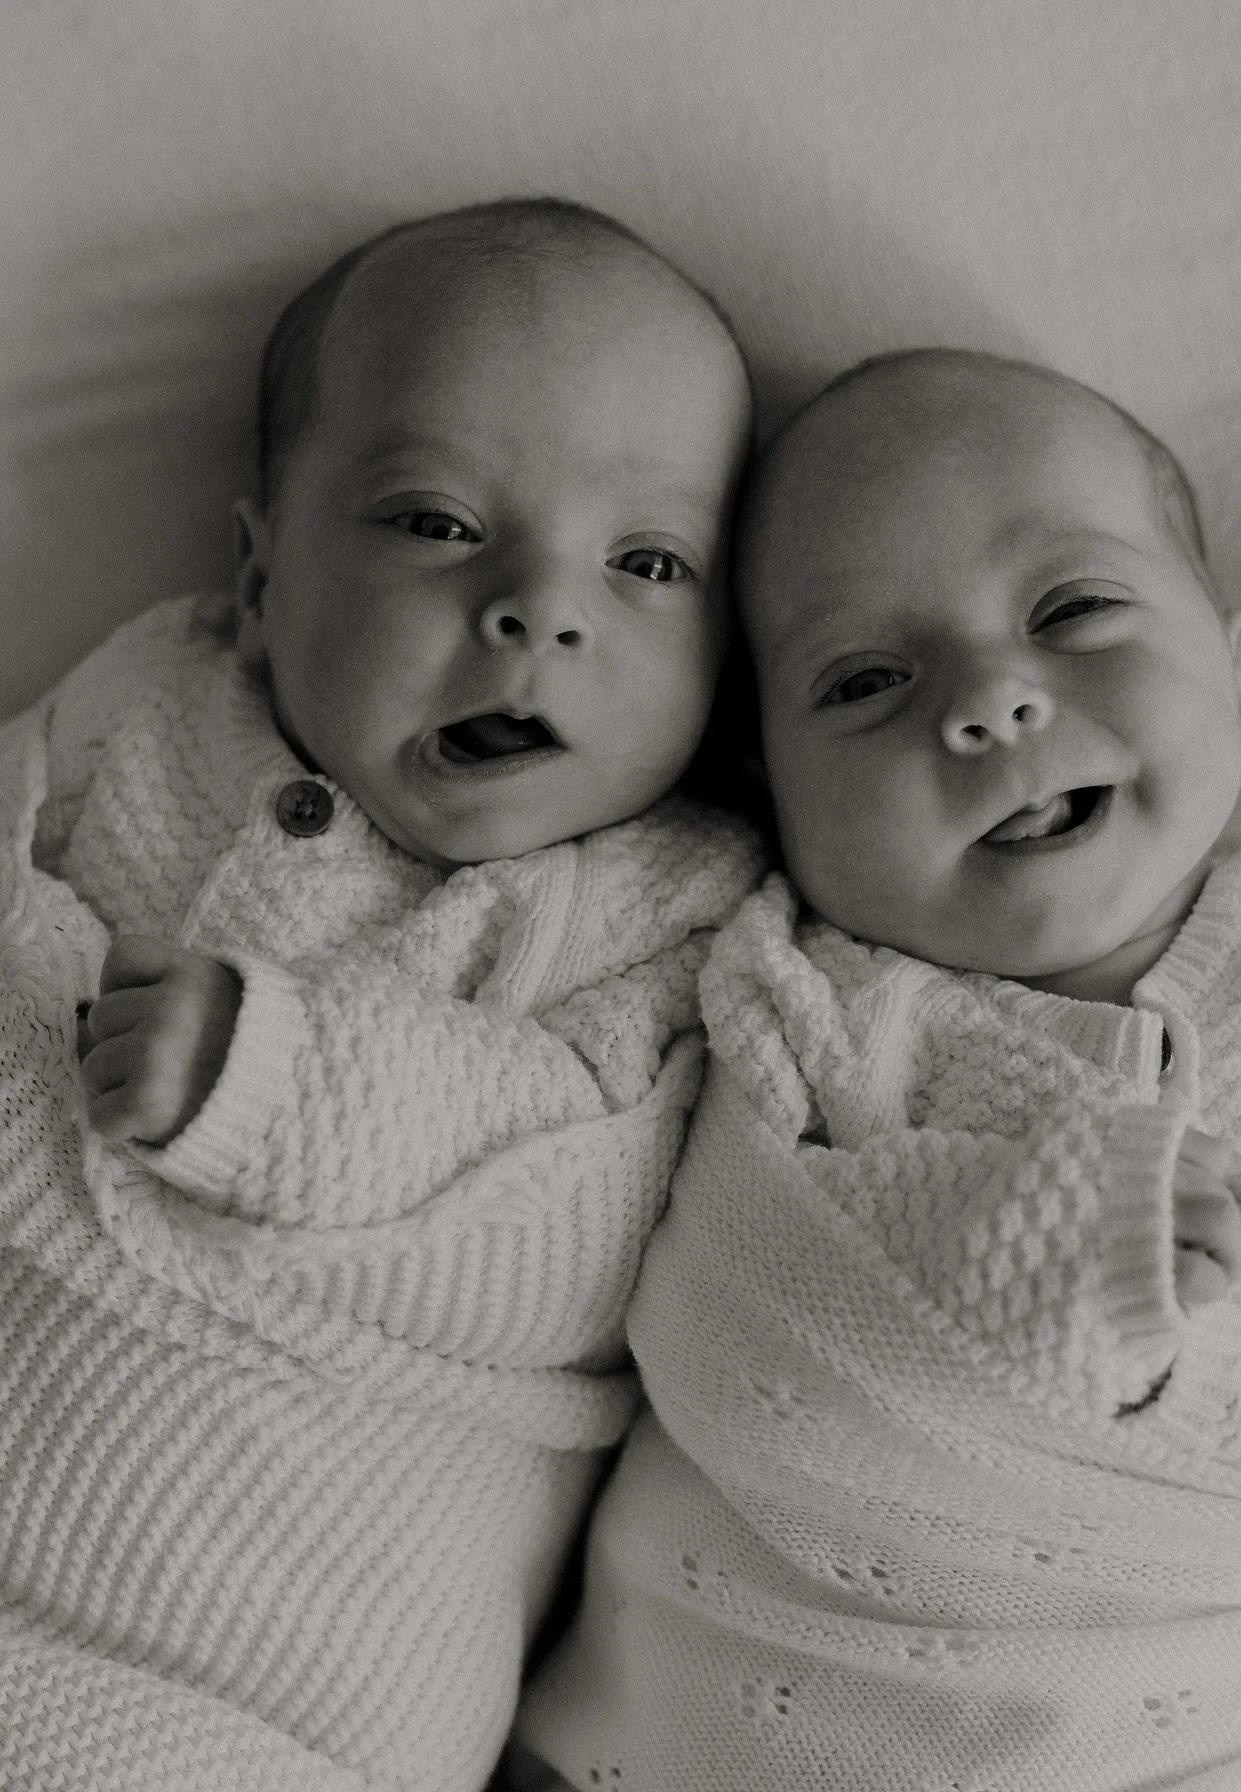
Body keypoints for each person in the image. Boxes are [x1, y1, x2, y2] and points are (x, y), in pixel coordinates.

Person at [515, 349, 1241, 1791]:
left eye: (1073, 610)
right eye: (867, 681)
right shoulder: (796, 993)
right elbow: (752, 1304)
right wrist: (1067, 1255)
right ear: (769, 792)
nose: (993, 700)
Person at [0, 196, 763, 1792]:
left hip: (257, 1689)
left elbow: (578, 1241)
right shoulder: (148, 704)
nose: (541, 608)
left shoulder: (674, 910)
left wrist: (280, 1090)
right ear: (260, 571)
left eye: (646, 561)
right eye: (434, 521)